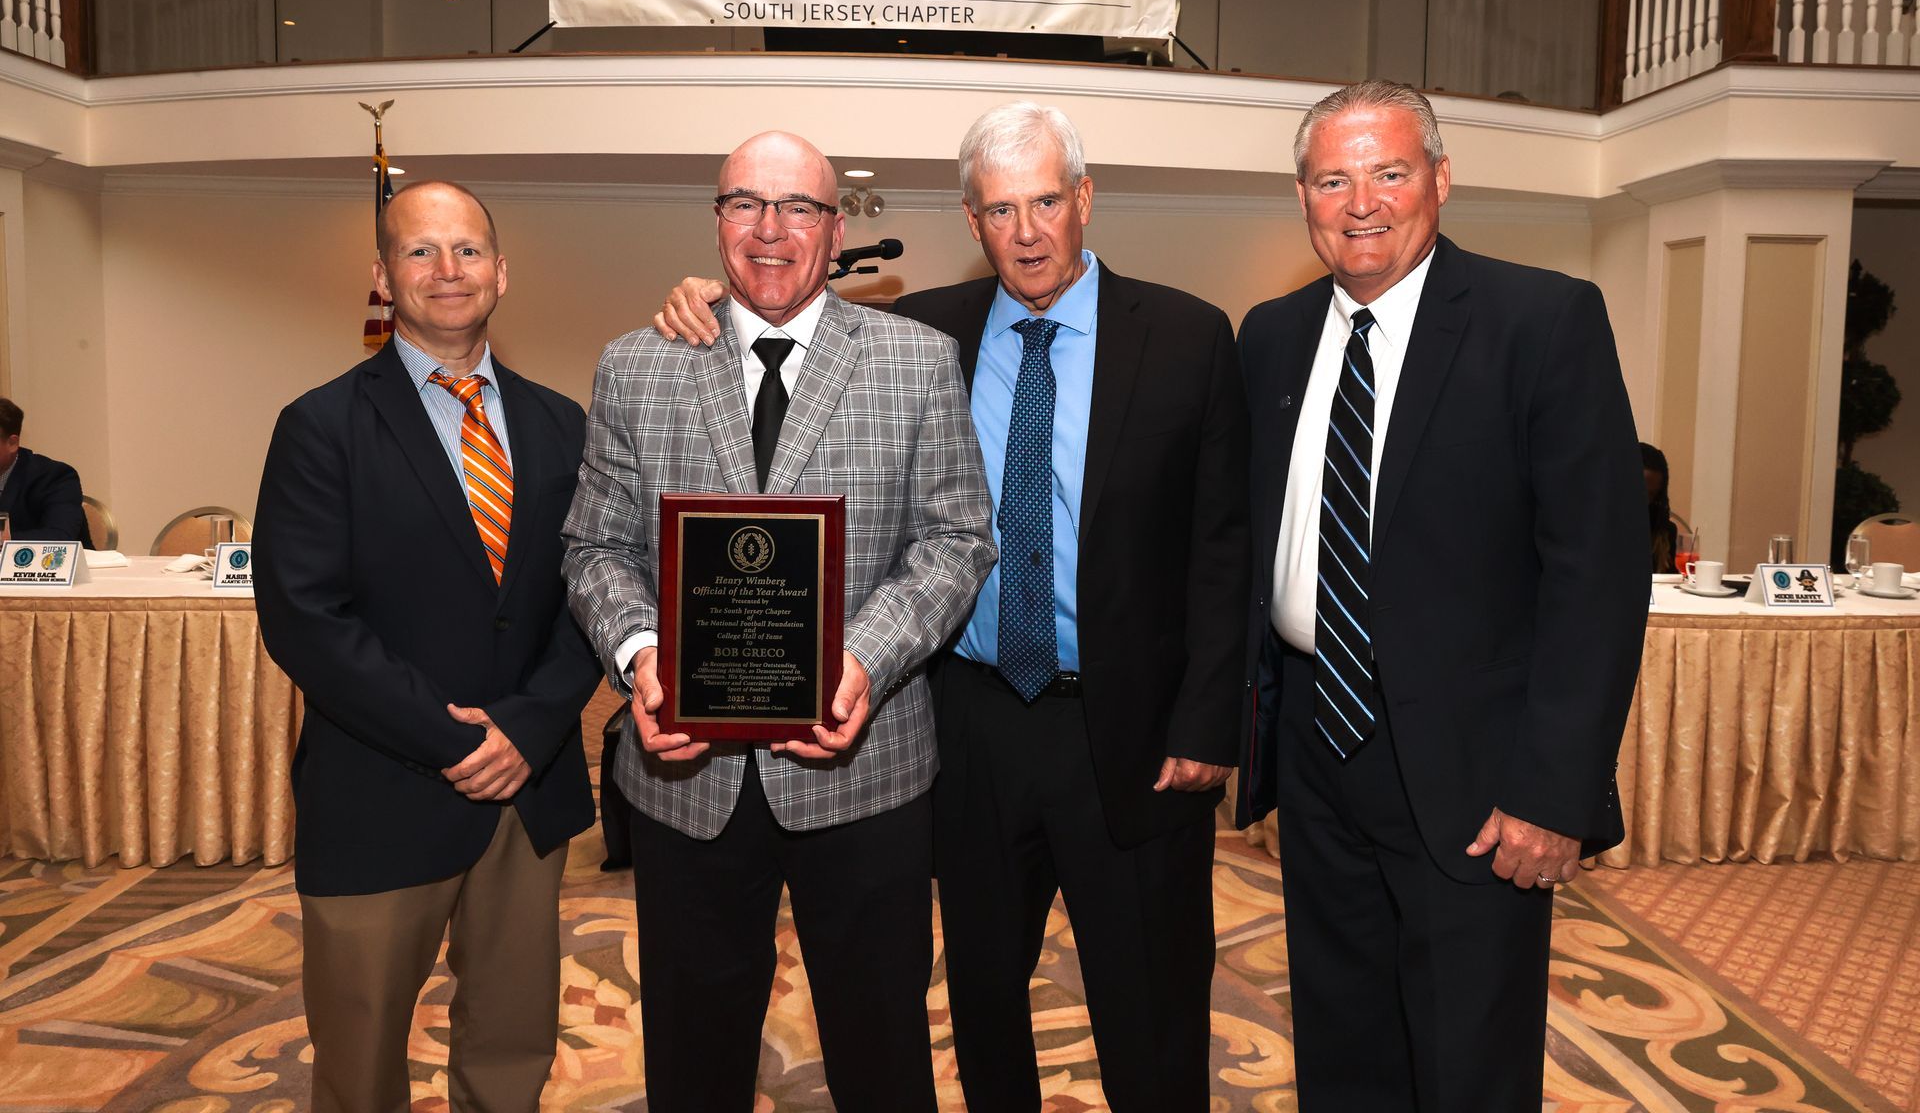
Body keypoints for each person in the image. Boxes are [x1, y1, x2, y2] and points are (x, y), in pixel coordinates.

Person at [654, 102, 1251, 1112]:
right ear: (972, 221)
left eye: (1047, 201)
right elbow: (785, 302)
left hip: (1135, 729)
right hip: (968, 725)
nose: (1027, 231)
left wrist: (1206, 719)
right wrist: (709, 300)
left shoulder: (1190, 335)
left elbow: (1222, 546)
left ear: (1085, 200)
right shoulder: (921, 331)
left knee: (1150, 1001)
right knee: (980, 996)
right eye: (1001, 208)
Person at [562, 130, 996, 1113]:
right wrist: (641, 657)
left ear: (836, 228)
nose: (771, 229)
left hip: (866, 765)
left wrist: (862, 658)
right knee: (692, 1053)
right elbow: (594, 548)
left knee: (883, 1048)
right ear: (716, 221)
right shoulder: (638, 364)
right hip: (687, 776)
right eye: (745, 203)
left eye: (799, 206)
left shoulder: (916, 362)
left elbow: (956, 540)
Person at [1236, 80, 1647, 1112]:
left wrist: (1556, 792)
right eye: (1334, 178)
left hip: (1476, 771)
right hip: (1316, 744)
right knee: (1341, 1034)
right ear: (1303, 198)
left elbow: (1597, 577)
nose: (1361, 200)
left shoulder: (1542, 320)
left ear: (1441, 180)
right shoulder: (1273, 335)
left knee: (1469, 1055)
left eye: (1388, 171)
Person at [253, 181, 602, 1113]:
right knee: (360, 1064)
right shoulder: (320, 426)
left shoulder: (564, 424)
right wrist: (456, 742)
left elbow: (595, 600)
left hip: (523, 798)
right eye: (419, 252)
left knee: (512, 1050)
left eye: (467, 251)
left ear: (501, 273)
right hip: (381, 791)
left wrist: (525, 730)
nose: (446, 271)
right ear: (382, 275)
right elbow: (305, 618)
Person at [0, 397, 93, 545]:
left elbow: (60, 536)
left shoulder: (55, 477)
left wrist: (4, 540)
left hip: (54, 566)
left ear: (12, 443)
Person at [1642, 441, 1678, 572]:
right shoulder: (1602, 528)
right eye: (1639, 492)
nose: (1646, 501)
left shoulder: (1665, 533)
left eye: (1652, 494)